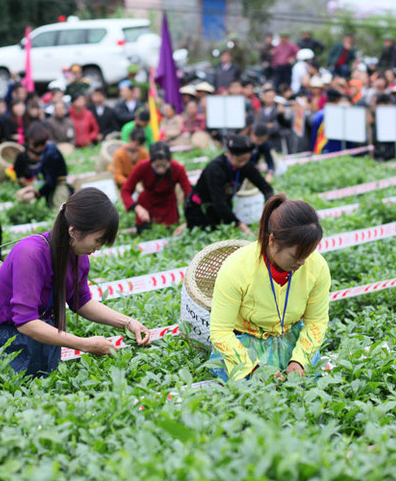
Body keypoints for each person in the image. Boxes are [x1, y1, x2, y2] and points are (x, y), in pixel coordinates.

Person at [0, 188, 151, 377]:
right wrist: (85, 344)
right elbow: (26, 322)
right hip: (4, 340)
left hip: (43, 335)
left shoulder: (77, 255)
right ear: (74, 231)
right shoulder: (30, 253)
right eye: (98, 240)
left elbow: (80, 301)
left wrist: (127, 323)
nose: (98, 248)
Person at [208, 194, 330, 382]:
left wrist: (299, 360)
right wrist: (255, 369)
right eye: (296, 254)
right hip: (245, 345)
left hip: (291, 339)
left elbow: (316, 322)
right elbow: (220, 332)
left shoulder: (317, 267)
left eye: (309, 253)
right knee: (252, 389)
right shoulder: (237, 268)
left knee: (304, 383)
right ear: (272, 241)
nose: (303, 261)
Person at [184, 135, 274, 234]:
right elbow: (219, 202)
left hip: (221, 211)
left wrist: (269, 209)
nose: (243, 164)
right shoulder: (215, 169)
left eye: (246, 160)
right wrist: (239, 224)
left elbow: (266, 188)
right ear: (228, 153)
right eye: (240, 160)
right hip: (200, 210)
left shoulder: (246, 166)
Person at [121, 142, 193, 234]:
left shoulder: (178, 169)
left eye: (164, 165)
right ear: (151, 162)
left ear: (169, 161)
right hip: (146, 207)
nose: (160, 170)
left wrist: (189, 219)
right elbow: (125, 190)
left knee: (171, 234)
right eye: (157, 166)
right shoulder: (143, 166)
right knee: (145, 234)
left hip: (168, 208)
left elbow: (189, 194)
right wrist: (137, 208)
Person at [14, 123, 73, 209]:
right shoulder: (32, 148)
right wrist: (22, 178)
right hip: (46, 184)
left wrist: (37, 193)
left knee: (58, 209)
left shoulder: (51, 153)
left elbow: (52, 181)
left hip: (59, 184)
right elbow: (20, 162)